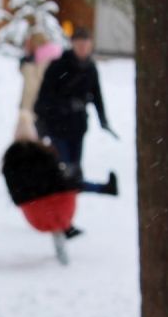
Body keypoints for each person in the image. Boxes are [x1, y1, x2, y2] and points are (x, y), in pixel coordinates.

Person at [33, 27, 118, 195]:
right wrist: (52, 114)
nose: (83, 48)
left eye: (86, 44)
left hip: (78, 126)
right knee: (65, 168)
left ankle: (96, 191)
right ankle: (102, 189)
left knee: (74, 168)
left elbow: (97, 96)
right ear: (73, 44)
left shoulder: (90, 68)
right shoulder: (59, 65)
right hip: (57, 125)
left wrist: (103, 120)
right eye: (79, 44)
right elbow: (44, 97)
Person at [14, 30, 63, 141]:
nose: (26, 46)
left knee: (32, 142)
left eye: (28, 43)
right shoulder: (35, 60)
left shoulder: (44, 62)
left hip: (37, 109)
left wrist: (27, 64)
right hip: (34, 109)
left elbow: (34, 86)